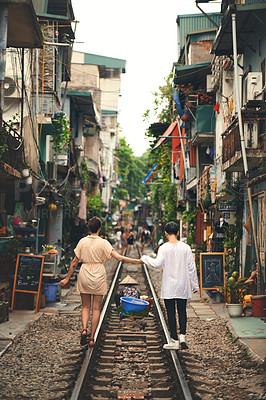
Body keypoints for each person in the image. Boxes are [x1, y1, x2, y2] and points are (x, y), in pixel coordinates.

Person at [59, 217, 142, 346]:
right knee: (96, 308)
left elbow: (75, 262)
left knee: (85, 306)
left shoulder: (82, 241)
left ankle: (84, 329)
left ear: (88, 227)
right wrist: (137, 261)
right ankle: (92, 338)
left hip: (85, 272)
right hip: (98, 273)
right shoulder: (104, 243)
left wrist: (67, 278)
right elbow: (119, 258)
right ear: (99, 228)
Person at [140, 221, 199, 350]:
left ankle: (174, 340)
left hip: (170, 286)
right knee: (182, 311)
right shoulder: (186, 248)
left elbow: (156, 264)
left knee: (171, 312)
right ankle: (182, 335)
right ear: (177, 233)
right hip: (182, 285)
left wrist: (145, 258)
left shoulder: (164, 248)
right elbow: (192, 268)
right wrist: (195, 286)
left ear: (166, 233)